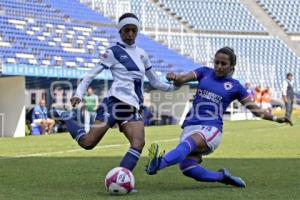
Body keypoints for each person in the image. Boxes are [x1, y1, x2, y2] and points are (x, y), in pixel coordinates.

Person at [145, 47, 292, 188]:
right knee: (187, 168)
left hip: (211, 128)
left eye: (224, 63)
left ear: (231, 66)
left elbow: (256, 111)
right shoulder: (204, 72)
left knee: (188, 144)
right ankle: (223, 177)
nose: (219, 66)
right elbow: (181, 79)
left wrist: (276, 119)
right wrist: (174, 77)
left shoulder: (235, 86)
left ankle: (158, 164)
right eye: (217, 62)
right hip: (191, 125)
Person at [53, 13, 177, 175]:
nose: (130, 34)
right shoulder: (113, 52)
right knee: (88, 143)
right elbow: (90, 75)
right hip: (113, 104)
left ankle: (120, 179)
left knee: (138, 143)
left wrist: (175, 86)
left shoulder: (142, 54)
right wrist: (78, 93)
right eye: (127, 30)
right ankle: (66, 117)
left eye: (134, 30)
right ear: (120, 31)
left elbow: (154, 82)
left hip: (132, 108)